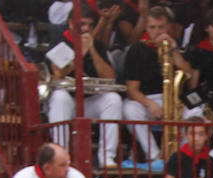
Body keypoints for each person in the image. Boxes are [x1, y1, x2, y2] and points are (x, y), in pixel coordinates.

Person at [47, 8, 124, 169]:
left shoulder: (96, 44)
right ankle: (61, 156)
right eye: (82, 24)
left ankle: (107, 157)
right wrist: (80, 53)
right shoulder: (60, 41)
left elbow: (109, 77)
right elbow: (59, 72)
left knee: (113, 98)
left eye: (90, 25)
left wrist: (93, 50)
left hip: (89, 101)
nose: (86, 28)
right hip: (67, 102)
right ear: (70, 23)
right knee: (60, 96)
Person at [122, 5, 194, 169]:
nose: (157, 31)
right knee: (129, 109)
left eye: (161, 27)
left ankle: (181, 155)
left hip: (173, 98)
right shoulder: (138, 48)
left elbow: (188, 76)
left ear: (168, 27)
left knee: (195, 111)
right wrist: (150, 104)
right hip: (147, 100)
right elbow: (132, 89)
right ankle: (154, 157)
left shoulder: (173, 46)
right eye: (152, 27)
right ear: (146, 28)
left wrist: (173, 49)